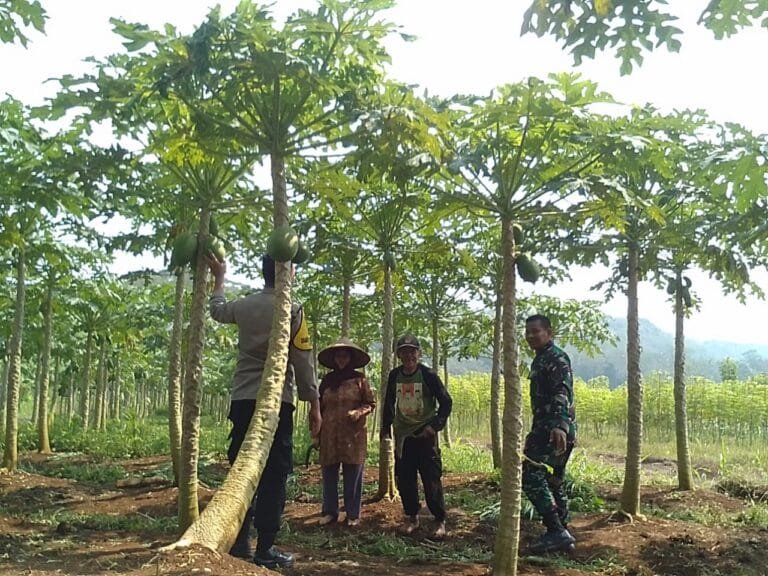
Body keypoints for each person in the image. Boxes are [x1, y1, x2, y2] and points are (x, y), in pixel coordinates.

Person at [208, 253, 321, 569]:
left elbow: (217, 310)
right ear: (288, 273)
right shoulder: (293, 311)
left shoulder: (244, 306)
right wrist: (314, 403)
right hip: (276, 402)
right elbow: (302, 363)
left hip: (243, 398)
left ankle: (240, 542)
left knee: (242, 468)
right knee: (274, 473)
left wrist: (220, 277)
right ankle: (266, 549)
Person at [381, 333, 452, 539]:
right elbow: (389, 402)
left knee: (431, 478)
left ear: (418, 353)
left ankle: (439, 520)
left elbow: (446, 402)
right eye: (404, 351)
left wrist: (435, 426)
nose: (408, 355)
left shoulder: (428, 375)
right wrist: (386, 428)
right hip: (404, 437)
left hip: (425, 434)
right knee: (405, 479)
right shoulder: (395, 375)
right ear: (398, 355)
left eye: (412, 351)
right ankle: (412, 517)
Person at [522, 314, 577, 554]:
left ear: (549, 332)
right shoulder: (541, 359)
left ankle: (556, 531)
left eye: (536, 331)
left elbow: (562, 390)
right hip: (551, 427)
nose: (531, 336)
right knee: (554, 479)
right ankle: (562, 532)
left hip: (551, 429)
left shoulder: (555, 358)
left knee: (530, 476)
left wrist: (559, 425)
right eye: (528, 332)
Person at [315, 338, 376, 527]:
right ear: (334, 359)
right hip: (329, 434)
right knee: (329, 473)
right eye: (338, 356)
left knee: (353, 473)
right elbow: (317, 407)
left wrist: (358, 412)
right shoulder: (327, 380)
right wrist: (315, 433)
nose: (341, 359)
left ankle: (353, 514)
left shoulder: (360, 380)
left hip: (353, 435)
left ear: (350, 358)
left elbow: (371, 403)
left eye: (345, 356)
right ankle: (329, 511)